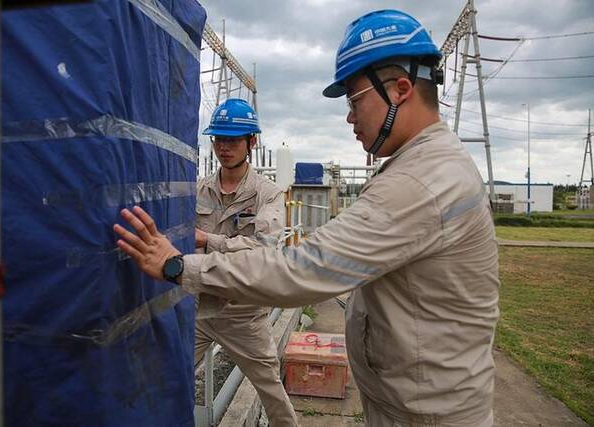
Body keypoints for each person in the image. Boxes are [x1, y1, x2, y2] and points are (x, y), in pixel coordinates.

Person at [114, 9, 499, 427]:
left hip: (426, 413)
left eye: (354, 100)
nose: (350, 117)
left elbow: (301, 268)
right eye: (218, 141)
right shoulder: (422, 167)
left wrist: (177, 265)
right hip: (412, 401)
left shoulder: (422, 181)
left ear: (401, 89)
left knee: (269, 389)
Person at [192, 98, 297, 426]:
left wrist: (208, 240)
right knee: (168, 377)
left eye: (233, 140)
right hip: (199, 309)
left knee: (271, 391)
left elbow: (263, 249)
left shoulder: (267, 194)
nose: (224, 148)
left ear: (252, 142)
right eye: (219, 140)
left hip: (243, 314)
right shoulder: (200, 189)